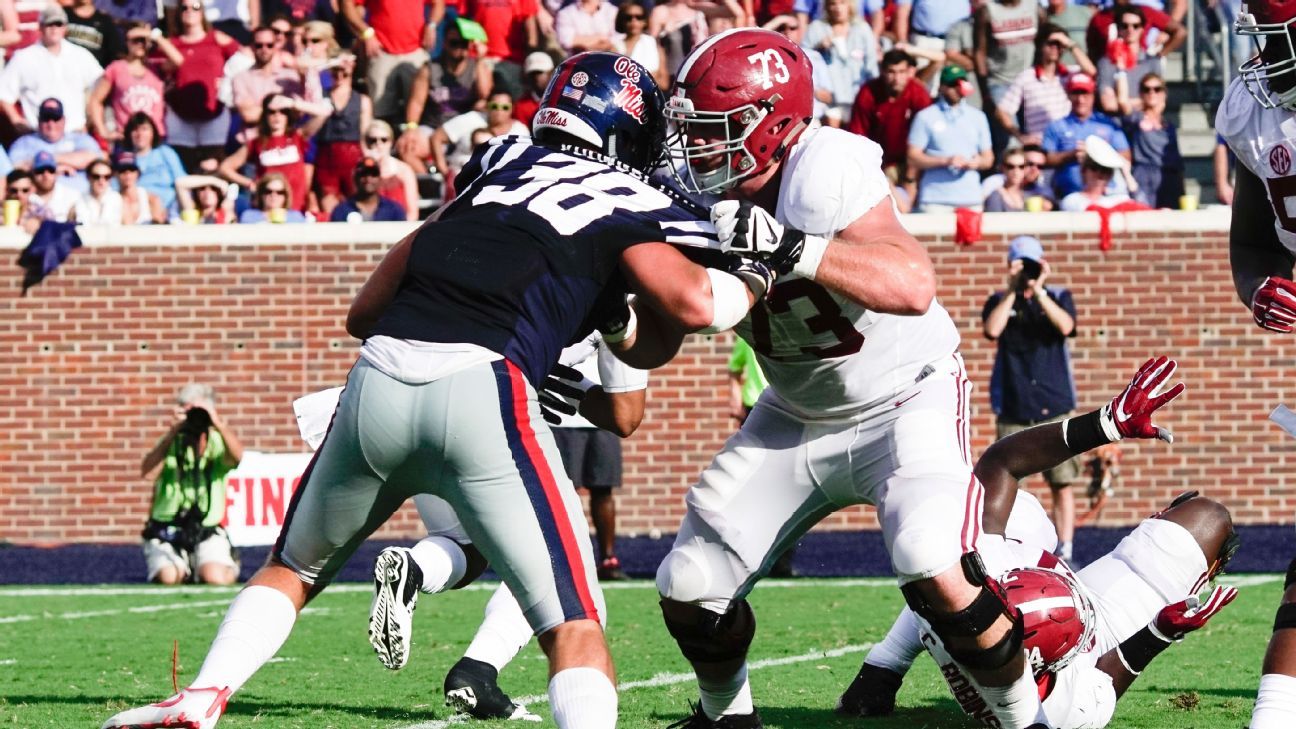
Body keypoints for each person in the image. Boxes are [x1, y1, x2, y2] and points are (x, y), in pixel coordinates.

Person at [101, 51, 771, 729]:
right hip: (487, 390)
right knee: (573, 624)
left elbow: (362, 315)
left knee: (289, 568)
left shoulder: (496, 167)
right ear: (628, 130)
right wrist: (757, 274)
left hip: (378, 381)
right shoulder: (628, 195)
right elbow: (697, 305)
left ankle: (201, 697)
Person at [663, 27, 1051, 729]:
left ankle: (1028, 721)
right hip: (796, 409)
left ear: (772, 124)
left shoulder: (826, 164)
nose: (696, 148)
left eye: (714, 129)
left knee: (932, 558)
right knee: (690, 583)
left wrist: (794, 248)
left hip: (904, 395)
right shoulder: (685, 195)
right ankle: (728, 719)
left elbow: (911, 283)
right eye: (690, 130)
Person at [838, 358, 1241, 729]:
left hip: (1012, 614)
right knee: (1209, 517)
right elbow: (1111, 670)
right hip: (1098, 638)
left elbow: (999, 464)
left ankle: (882, 667)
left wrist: (1106, 424)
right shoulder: (1069, 711)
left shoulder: (970, 590)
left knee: (969, 544)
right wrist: (1160, 630)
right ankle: (1184, 572)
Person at [981, 236, 1079, 562]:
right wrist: (1012, 290)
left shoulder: (1060, 296)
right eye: (1021, 265)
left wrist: (1040, 290)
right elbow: (992, 330)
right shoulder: (999, 300)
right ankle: (1012, 549)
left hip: (1054, 404)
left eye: (1031, 264)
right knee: (1010, 484)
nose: (1027, 272)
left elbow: (1066, 327)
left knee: (1061, 482)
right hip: (1014, 406)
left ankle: (1065, 550)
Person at [138, 383, 243, 586]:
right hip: (167, 529)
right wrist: (172, 432)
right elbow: (148, 473)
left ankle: (226, 562)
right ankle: (184, 565)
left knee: (214, 577)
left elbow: (237, 458)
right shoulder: (170, 443)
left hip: (207, 529)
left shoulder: (218, 442)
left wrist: (217, 423)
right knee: (169, 577)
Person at [151, 0, 241, 172]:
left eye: (195, 7)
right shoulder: (171, 44)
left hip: (214, 113)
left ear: (202, 12)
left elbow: (245, 60)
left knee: (213, 164)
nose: (190, 11)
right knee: (183, 166)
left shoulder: (216, 38)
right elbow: (157, 70)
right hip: (180, 115)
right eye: (184, 8)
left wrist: (229, 82)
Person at [395, 21, 491, 173]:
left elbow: (485, 94)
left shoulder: (477, 67)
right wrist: (411, 129)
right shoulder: (430, 69)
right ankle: (435, 185)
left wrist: (480, 60)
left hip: (464, 130)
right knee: (406, 148)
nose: (460, 48)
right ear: (444, 43)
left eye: (464, 43)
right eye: (454, 43)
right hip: (433, 127)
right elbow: (416, 102)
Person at [0, 4, 103, 135]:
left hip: (75, 134)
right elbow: (3, 93)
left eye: (58, 24)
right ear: (40, 27)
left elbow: (102, 84)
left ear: (65, 28)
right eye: (49, 24)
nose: (54, 28)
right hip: (37, 135)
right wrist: (16, 120)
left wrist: (91, 116)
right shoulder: (23, 58)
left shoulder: (81, 56)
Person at [218, 93, 327, 213]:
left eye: (282, 111)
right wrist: (250, 183)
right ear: (265, 115)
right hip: (267, 210)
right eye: (272, 112)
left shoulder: (297, 137)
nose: (277, 116)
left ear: (288, 115)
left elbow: (323, 113)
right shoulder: (257, 142)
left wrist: (292, 103)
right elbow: (225, 168)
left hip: (297, 208)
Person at [907, 65, 994, 212]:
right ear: (941, 87)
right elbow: (912, 157)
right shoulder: (925, 116)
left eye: (961, 83)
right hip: (935, 199)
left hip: (970, 198)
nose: (957, 89)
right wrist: (945, 161)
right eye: (952, 84)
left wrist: (976, 162)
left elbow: (988, 159)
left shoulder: (978, 117)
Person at [846, 48, 931, 199]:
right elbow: (858, 136)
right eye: (891, 72)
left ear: (910, 71)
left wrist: (912, 173)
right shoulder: (868, 93)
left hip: (912, 163)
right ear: (882, 70)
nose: (897, 78)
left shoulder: (918, 93)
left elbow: (928, 136)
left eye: (902, 72)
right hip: (878, 163)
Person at [996, 24, 1097, 148]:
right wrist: (1020, 137)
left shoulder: (1070, 74)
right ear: (1040, 46)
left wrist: (1070, 44)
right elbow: (1002, 111)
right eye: (1051, 43)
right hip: (1040, 145)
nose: (1055, 48)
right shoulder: (1026, 77)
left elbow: (1091, 72)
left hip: (1067, 142)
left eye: (1059, 45)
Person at [338, 0, 436, 126]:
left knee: (419, 114)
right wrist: (366, 33)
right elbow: (347, 4)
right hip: (381, 51)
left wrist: (432, 25)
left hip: (416, 51)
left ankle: (413, 143)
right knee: (380, 115)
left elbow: (438, 3)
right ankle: (382, 143)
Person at [1042, 72, 1130, 199]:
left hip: (1105, 194)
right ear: (1068, 95)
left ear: (1093, 95)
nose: (1080, 99)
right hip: (1068, 194)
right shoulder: (1056, 126)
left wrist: (1096, 154)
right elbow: (1047, 159)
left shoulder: (1107, 124)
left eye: (1085, 93)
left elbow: (1126, 155)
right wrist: (1071, 154)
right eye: (1076, 93)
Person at [428, 91, 527, 198]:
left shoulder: (520, 131)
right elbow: (436, 137)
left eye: (505, 107)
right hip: (460, 177)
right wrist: (446, 172)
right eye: (494, 106)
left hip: (501, 182)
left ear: (512, 109)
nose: (499, 110)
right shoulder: (471, 119)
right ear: (487, 106)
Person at [88, 22, 167, 144]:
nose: (140, 44)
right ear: (127, 42)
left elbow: (179, 61)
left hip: (156, 137)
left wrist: (152, 35)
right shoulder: (116, 68)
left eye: (143, 40)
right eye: (135, 40)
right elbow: (95, 100)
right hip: (127, 138)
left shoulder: (157, 67)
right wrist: (103, 131)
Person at [803, 0, 878, 127]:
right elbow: (803, 64)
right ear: (827, 7)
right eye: (833, 4)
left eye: (842, 3)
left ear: (850, 5)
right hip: (828, 102)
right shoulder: (816, 28)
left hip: (857, 98)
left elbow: (872, 67)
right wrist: (815, 90)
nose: (838, 8)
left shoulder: (862, 29)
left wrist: (871, 96)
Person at [313, 52, 370, 216]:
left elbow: (364, 134)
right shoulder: (320, 96)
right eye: (335, 70)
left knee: (356, 204)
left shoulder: (362, 100)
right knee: (329, 206)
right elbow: (308, 70)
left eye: (344, 70)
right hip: (327, 156)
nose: (339, 74)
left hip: (353, 156)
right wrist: (331, 61)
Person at [8, 98, 102, 194]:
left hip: (81, 199)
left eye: (55, 118)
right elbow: (14, 170)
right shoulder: (23, 143)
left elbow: (94, 159)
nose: (51, 124)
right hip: (39, 202)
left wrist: (47, 162)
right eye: (46, 118)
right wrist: (53, 168)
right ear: (39, 119)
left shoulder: (80, 139)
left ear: (63, 120)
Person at [1122, 72, 1183, 209]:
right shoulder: (1135, 119)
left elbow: (1177, 161)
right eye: (1146, 89)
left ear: (1164, 93)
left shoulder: (1169, 126)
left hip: (1168, 177)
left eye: (1157, 89)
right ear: (1141, 93)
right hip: (1143, 175)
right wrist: (1121, 70)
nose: (1152, 93)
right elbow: (1122, 102)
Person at [1096, 4, 1163, 117]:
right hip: (1115, 126)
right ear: (1118, 28)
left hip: (1144, 125)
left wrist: (1124, 102)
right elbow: (1109, 104)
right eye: (1125, 26)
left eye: (1135, 26)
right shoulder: (1106, 62)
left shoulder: (1153, 63)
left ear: (1142, 29)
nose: (1130, 30)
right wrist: (1143, 102)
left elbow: (1159, 103)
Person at [122, 112, 187, 215]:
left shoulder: (165, 152)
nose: (140, 134)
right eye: (135, 130)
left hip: (171, 209)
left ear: (153, 132)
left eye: (144, 129)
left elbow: (182, 180)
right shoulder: (125, 158)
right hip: (139, 210)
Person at [363, 119, 420, 220]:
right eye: (373, 140)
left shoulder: (404, 170)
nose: (378, 144)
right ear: (366, 143)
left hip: (399, 225)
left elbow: (412, 211)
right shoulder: (361, 171)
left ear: (391, 142)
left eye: (384, 140)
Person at [328, 157, 406, 222]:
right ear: (355, 178)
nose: (368, 178)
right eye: (363, 174)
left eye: (373, 174)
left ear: (380, 179)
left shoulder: (394, 210)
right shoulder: (341, 210)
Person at [613, 1, 667, 90]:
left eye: (639, 17)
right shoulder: (615, 47)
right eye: (628, 17)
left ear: (645, 21)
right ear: (622, 20)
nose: (634, 21)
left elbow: (664, 83)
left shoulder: (654, 44)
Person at [65, 0, 124, 68]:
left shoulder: (104, 20)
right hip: (65, 69)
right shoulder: (63, 14)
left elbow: (113, 52)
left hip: (92, 74)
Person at [26, 151, 81, 223]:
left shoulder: (72, 196)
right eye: (40, 170)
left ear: (56, 173)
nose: (46, 175)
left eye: (50, 170)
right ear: (32, 173)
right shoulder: (25, 196)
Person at [114, 151, 168, 224]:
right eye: (122, 170)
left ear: (138, 173)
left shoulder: (152, 200)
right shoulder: (112, 200)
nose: (127, 173)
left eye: (131, 169)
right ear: (116, 174)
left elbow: (159, 227)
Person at [238, 172, 310, 222]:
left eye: (279, 192)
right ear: (261, 194)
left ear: (286, 196)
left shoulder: (296, 218)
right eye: (268, 191)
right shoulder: (249, 217)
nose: (274, 195)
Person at [73, 158, 122, 225]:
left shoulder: (118, 200)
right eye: (96, 176)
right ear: (88, 177)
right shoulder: (77, 201)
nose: (101, 181)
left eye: (107, 177)